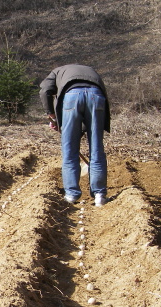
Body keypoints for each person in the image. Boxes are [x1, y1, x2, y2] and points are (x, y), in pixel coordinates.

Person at [39, 64, 110, 206]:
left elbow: (45, 90)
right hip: (96, 97)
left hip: (71, 97)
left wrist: (52, 116)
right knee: (96, 148)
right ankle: (99, 195)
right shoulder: (91, 71)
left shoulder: (56, 72)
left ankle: (71, 194)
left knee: (70, 150)